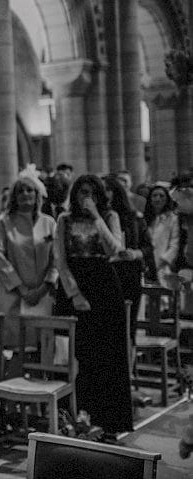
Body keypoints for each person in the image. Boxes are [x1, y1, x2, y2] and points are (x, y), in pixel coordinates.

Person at [54, 174, 133, 438]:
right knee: (83, 354)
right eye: (82, 192)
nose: (86, 197)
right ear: (74, 194)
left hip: (104, 286)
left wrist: (97, 216)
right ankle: (81, 413)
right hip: (76, 286)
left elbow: (115, 250)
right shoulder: (64, 220)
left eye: (92, 193)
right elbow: (61, 261)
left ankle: (109, 418)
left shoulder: (109, 217)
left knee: (108, 354)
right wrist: (74, 294)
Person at [0, 177, 59, 348]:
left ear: (38, 195)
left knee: (43, 343)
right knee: (16, 345)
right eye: (20, 191)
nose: (25, 194)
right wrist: (22, 289)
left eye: (29, 190)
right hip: (14, 293)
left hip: (44, 294)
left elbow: (57, 257)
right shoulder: (4, 222)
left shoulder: (49, 223)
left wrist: (44, 287)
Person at [103, 174, 151, 346]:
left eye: (107, 189)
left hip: (128, 272)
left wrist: (135, 254)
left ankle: (127, 369)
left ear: (116, 192)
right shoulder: (96, 219)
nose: (104, 193)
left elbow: (147, 247)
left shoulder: (133, 218)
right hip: (105, 273)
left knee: (127, 325)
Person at [144, 183, 179, 286]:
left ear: (167, 199)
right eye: (154, 195)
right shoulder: (144, 218)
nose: (157, 199)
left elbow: (175, 244)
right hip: (146, 266)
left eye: (161, 196)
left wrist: (162, 262)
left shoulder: (173, 219)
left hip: (164, 266)